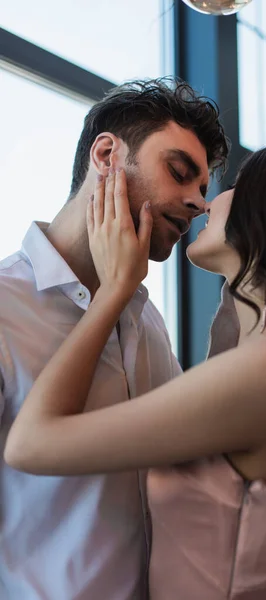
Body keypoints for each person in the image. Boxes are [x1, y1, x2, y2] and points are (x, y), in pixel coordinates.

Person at [5, 142, 266, 600]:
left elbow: (31, 443)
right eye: (179, 172)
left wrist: (113, 292)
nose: (205, 202)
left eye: (233, 187)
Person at [0, 77, 229, 600]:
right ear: (106, 154)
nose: (196, 203)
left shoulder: (147, 320)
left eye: (203, 190)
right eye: (180, 172)